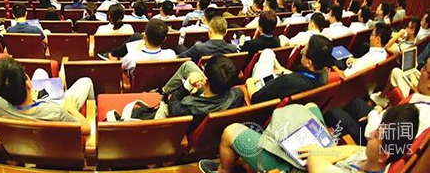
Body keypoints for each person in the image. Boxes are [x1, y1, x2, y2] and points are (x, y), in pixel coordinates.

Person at [200, 103, 419, 173]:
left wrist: (318, 152)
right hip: (317, 157)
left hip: (297, 167)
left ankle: (224, 170)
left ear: (384, 155)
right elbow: (353, 150)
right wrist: (323, 151)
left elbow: (315, 163)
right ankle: (256, 152)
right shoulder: (375, 158)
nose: (370, 134)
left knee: (231, 131)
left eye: (376, 136)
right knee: (310, 107)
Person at [0, 57, 94, 134]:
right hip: (54, 108)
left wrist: (32, 101)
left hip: (26, 129)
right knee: (86, 81)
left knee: (40, 71)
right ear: (28, 84)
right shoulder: (56, 111)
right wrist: (73, 110)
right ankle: (94, 109)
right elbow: (86, 129)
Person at [158, 56, 243, 132]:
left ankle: (164, 93)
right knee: (188, 65)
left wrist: (187, 86)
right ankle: (165, 90)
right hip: (217, 98)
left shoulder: (189, 105)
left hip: (196, 112)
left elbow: (173, 105)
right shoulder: (238, 94)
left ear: (205, 80)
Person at [246, 34, 334, 104]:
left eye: (303, 51)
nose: (302, 52)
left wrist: (249, 82)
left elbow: (256, 98)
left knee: (267, 52)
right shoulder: (323, 75)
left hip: (263, 95)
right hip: (287, 91)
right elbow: (304, 77)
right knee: (269, 54)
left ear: (309, 63)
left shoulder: (287, 81)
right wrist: (282, 70)